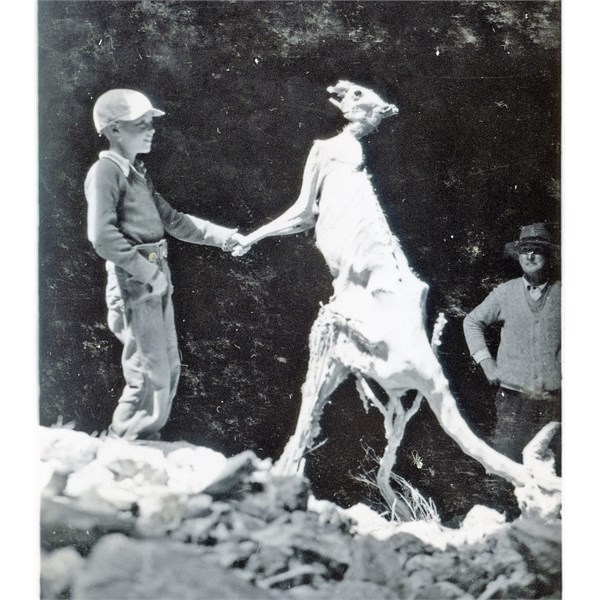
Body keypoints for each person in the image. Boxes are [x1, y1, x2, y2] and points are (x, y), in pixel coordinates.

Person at [84, 88, 245, 441]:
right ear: (113, 130)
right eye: (140, 124)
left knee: (167, 365)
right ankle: (123, 442)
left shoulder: (136, 174)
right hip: (135, 280)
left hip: (155, 278)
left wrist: (225, 237)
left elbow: (173, 220)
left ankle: (141, 439)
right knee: (147, 369)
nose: (150, 129)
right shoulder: (105, 172)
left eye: (149, 123)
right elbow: (102, 237)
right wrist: (147, 273)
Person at [463, 223, 561, 466]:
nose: (530, 255)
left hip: (555, 403)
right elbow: (472, 321)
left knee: (550, 473)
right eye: (525, 250)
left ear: (548, 255)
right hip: (512, 402)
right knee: (506, 468)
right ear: (518, 256)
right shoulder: (506, 292)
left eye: (537, 250)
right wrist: (486, 364)